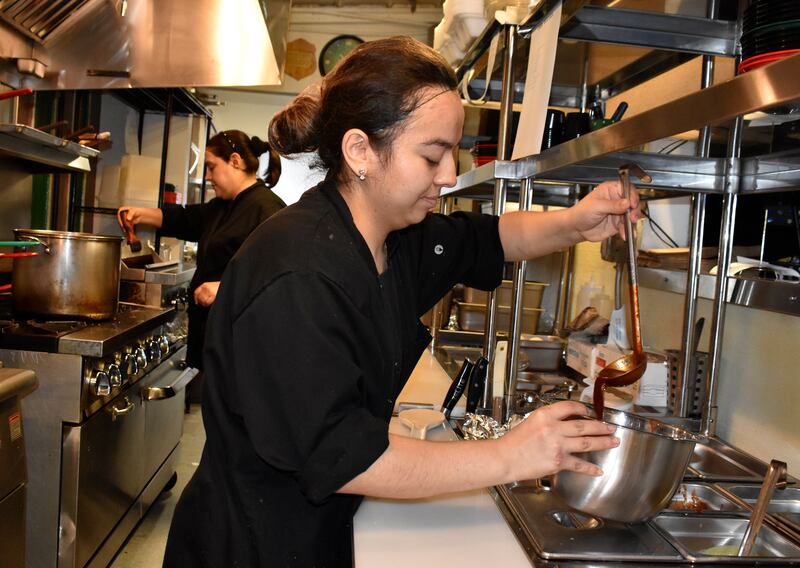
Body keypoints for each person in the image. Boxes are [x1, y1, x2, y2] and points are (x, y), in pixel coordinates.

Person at [163, 37, 641, 567]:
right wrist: (510, 454)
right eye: (432, 155)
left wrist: (578, 222)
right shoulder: (299, 274)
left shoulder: (391, 238)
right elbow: (344, 458)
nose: (449, 174)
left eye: (452, 153)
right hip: (254, 545)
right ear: (360, 151)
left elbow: (489, 239)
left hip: (317, 529)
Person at [117, 130, 285, 375]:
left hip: (239, 346)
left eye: (211, 167)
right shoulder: (223, 206)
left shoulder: (267, 209)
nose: (207, 176)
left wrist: (223, 288)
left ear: (235, 161)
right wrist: (140, 214)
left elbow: (277, 274)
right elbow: (186, 219)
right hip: (215, 339)